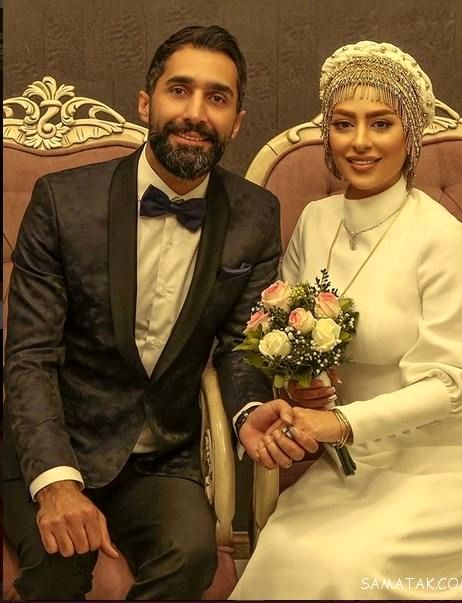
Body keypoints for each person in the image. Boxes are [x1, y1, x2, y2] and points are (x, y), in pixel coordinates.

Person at [3, 24, 295, 601]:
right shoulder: (63, 201)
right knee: (61, 566)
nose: (195, 113)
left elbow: (240, 346)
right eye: (179, 90)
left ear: (237, 122)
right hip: (54, 440)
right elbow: (30, 357)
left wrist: (248, 412)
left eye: (217, 98)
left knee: (191, 557)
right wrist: (56, 483)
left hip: (161, 453)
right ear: (146, 103)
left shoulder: (255, 215)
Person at [231, 41, 462, 600]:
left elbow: (455, 383)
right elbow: (282, 330)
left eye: (381, 123)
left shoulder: (440, 236)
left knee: (349, 573)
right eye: (344, 124)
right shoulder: (315, 220)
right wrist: (298, 386)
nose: (360, 142)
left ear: (409, 134)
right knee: (283, 555)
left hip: (445, 462)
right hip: (350, 464)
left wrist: (340, 423)